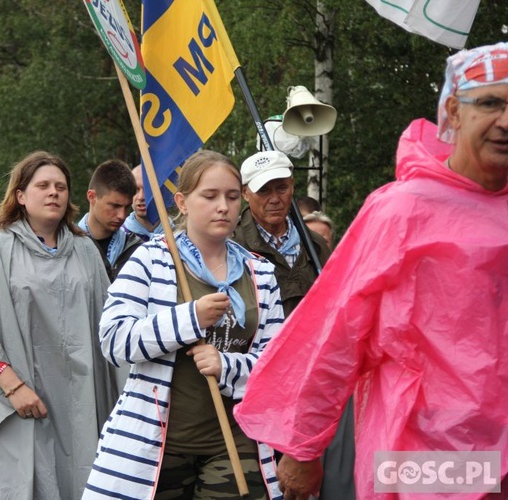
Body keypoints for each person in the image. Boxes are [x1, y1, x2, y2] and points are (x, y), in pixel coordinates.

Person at [234, 42, 508, 499]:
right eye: (491, 103)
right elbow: (334, 334)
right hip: (429, 454)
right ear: (455, 112)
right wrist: (304, 448)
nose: (506, 121)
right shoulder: (400, 213)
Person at [83, 150, 285, 500]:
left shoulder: (260, 272)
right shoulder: (150, 259)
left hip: (235, 443)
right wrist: (188, 319)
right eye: (209, 196)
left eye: (232, 196)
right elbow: (114, 340)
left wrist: (227, 365)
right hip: (155, 446)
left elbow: (279, 364)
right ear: (182, 201)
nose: (223, 206)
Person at [0, 151, 119, 499]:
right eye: (43, 185)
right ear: (20, 196)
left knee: (80, 481)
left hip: (81, 399)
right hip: (16, 400)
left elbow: (109, 322)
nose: (54, 193)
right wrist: (13, 386)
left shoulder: (84, 251)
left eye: (61, 187)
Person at [232, 151, 330, 317]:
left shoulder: (315, 244)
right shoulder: (232, 246)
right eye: (264, 191)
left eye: (282, 188)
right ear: (245, 193)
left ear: (292, 185)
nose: (275, 198)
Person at [78, 159, 142, 281]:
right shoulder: (68, 246)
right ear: (92, 197)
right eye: (115, 206)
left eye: (127, 207)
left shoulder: (137, 251)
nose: (122, 215)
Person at [122, 164, 169, 241]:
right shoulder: (119, 238)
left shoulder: (177, 236)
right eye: (136, 189)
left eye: (148, 190)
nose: (141, 197)